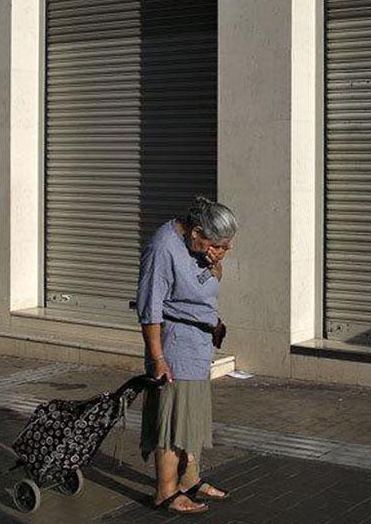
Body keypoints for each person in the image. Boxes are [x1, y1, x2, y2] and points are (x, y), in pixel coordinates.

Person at [135, 196, 238, 515]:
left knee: (190, 416)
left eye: (226, 246)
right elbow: (149, 308)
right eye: (217, 245)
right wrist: (158, 358)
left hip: (199, 344)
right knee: (172, 418)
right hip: (176, 346)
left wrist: (214, 262)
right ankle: (165, 492)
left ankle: (189, 480)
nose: (221, 251)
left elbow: (211, 278)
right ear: (196, 232)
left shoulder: (200, 249)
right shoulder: (163, 248)